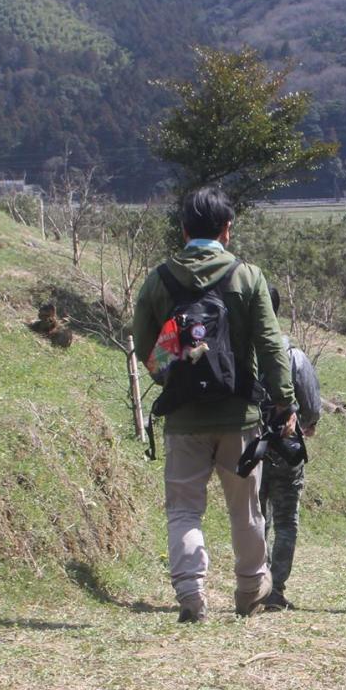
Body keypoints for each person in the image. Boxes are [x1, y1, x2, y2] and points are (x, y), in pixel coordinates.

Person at [132, 186, 295, 623]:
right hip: (239, 415)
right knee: (245, 509)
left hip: (183, 419)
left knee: (184, 508)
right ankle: (248, 592)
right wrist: (284, 401)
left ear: (184, 230)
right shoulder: (247, 276)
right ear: (227, 230)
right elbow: (270, 345)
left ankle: (190, 594)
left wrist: (170, 374)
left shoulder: (160, 278)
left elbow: (144, 346)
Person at [257, 286, 321, 611]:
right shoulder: (294, 356)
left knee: (255, 518)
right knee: (285, 521)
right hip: (286, 449)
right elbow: (311, 408)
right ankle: (275, 591)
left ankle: (254, 585)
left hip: (248, 449)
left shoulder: (241, 354)